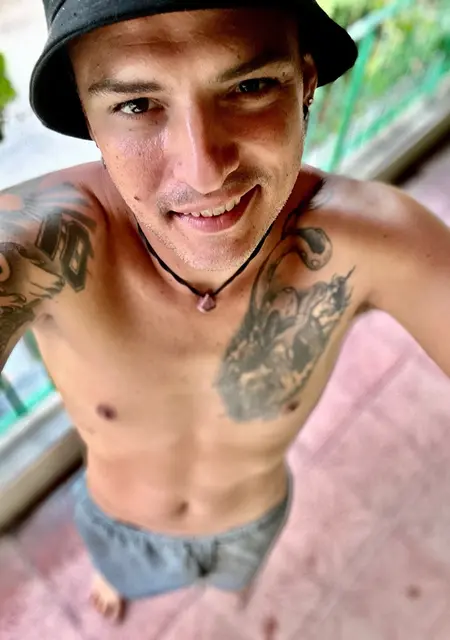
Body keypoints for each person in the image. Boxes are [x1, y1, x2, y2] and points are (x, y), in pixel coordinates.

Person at [1, 0, 449, 624]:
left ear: (306, 84)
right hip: (120, 523)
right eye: (137, 104)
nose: (206, 172)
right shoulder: (45, 245)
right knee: (115, 572)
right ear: (86, 117)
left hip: (251, 521)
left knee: (237, 582)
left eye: (250, 86)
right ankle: (113, 577)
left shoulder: (374, 242)